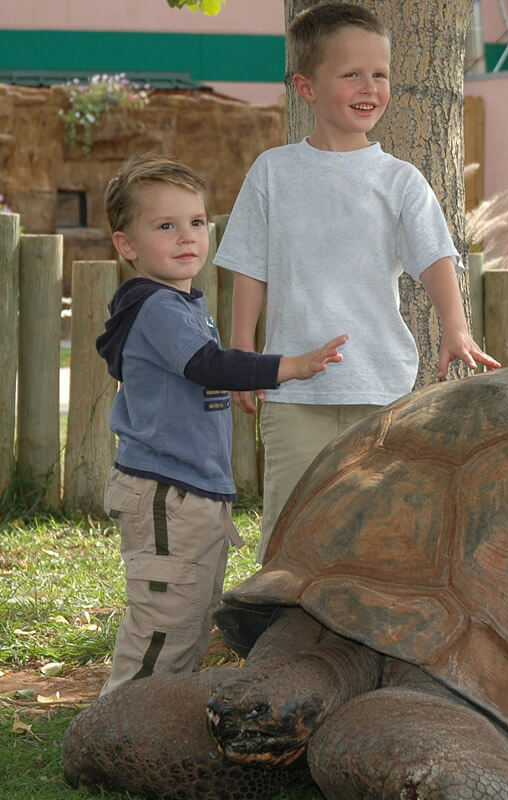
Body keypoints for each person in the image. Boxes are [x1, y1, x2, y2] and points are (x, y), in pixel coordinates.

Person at [214, 2, 499, 562]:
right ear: (306, 87)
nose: (369, 86)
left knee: (380, 528)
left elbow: (436, 257)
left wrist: (455, 328)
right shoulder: (272, 172)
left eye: (380, 73)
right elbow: (250, 270)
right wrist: (242, 355)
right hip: (291, 392)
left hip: (383, 391)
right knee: (291, 524)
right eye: (350, 74)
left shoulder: (401, 180)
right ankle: (280, 630)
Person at [95, 154, 348, 696]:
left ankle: (154, 720)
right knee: (164, 622)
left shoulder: (184, 304)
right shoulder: (156, 308)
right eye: (165, 225)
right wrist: (290, 367)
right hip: (168, 492)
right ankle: (118, 730)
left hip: (195, 492)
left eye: (196, 222)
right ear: (127, 245)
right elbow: (210, 365)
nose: (186, 236)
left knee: (190, 616)